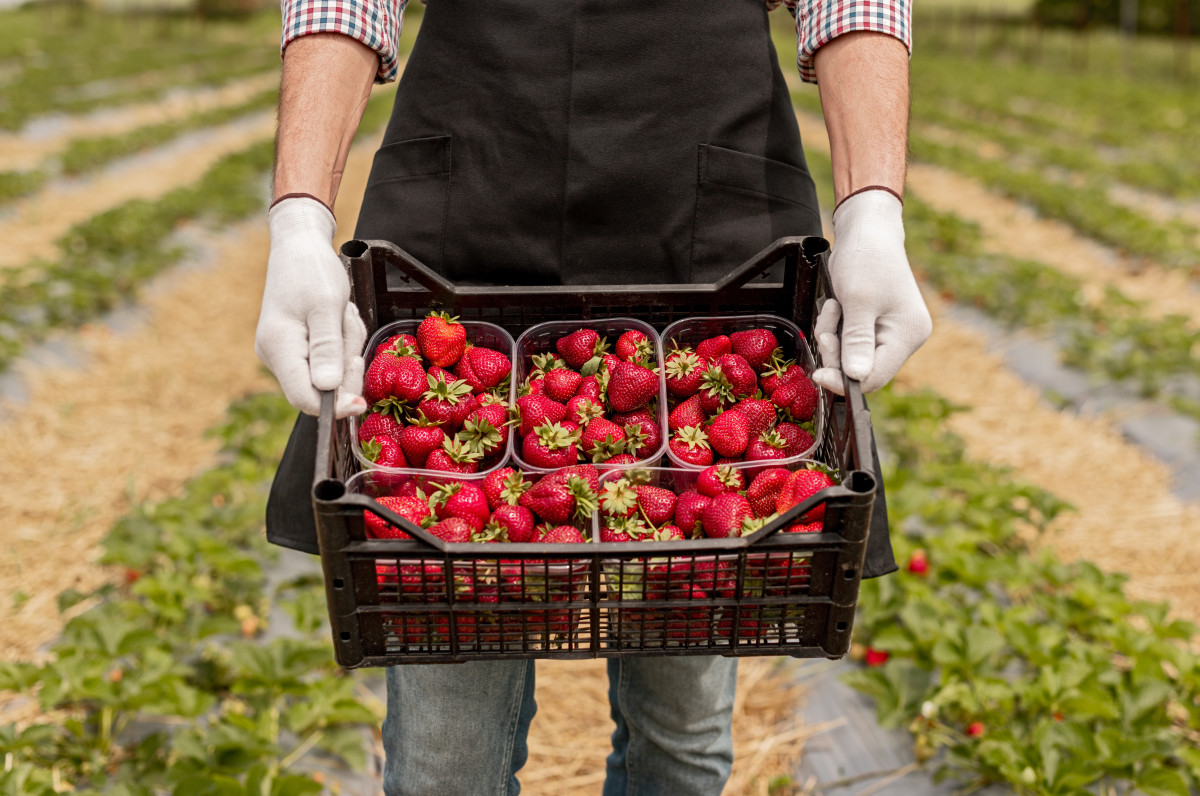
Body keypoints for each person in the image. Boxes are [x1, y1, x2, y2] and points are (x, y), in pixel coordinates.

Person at [255, 1, 932, 793]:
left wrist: (872, 207)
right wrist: (299, 214)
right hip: (474, 183)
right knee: (447, 760)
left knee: (681, 736)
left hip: (705, 210)